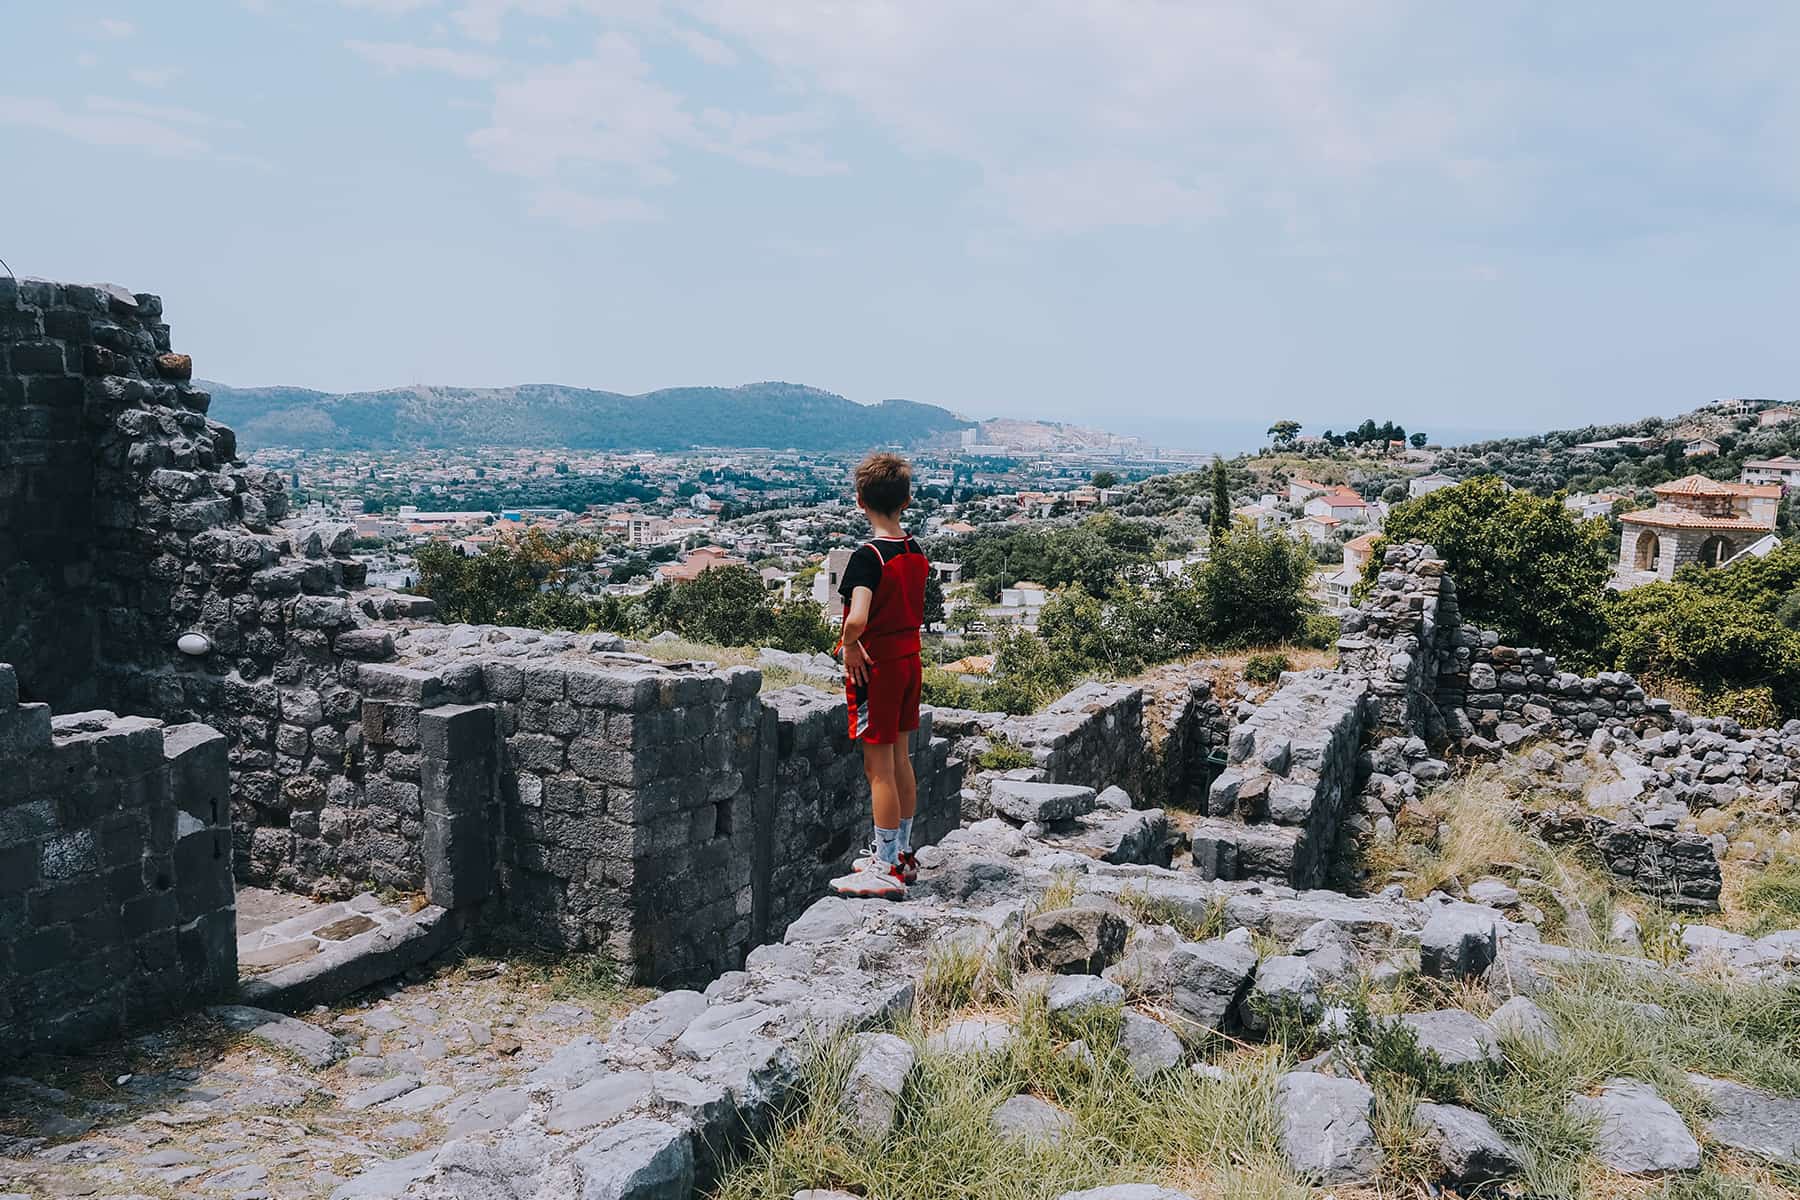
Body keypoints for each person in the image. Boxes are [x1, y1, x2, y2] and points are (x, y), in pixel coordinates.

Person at [829, 452, 930, 900]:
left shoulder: (868, 557)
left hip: (880, 667)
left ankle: (885, 865)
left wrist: (850, 645)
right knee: (902, 759)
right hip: (911, 661)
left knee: (878, 769)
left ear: (859, 502)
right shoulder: (914, 550)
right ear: (906, 501)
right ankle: (903, 854)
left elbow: (857, 618)